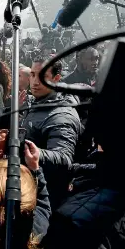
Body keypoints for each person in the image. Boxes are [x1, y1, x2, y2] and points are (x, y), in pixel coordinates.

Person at [21, 56, 82, 208]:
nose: (35, 81)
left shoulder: (61, 115)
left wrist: (32, 152)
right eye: (33, 75)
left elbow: (64, 158)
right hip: (29, 187)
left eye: (42, 77)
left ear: (56, 78)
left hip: (46, 197)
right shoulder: (38, 101)